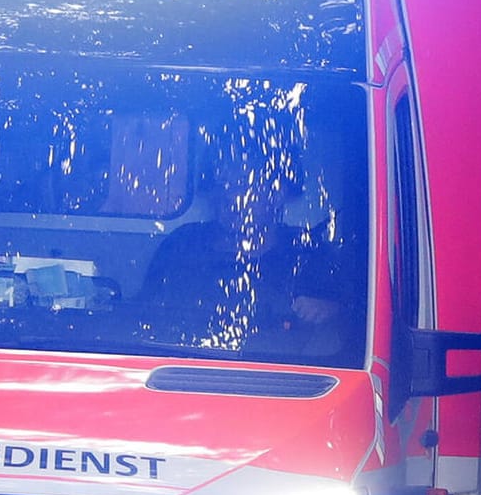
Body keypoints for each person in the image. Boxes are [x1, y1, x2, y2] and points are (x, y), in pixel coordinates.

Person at [138, 139, 347, 351]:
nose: (227, 196)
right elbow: (144, 317)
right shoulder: (181, 244)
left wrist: (330, 310)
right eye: (221, 185)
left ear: (277, 194)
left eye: (240, 184)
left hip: (278, 374)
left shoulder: (308, 251)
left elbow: (350, 324)